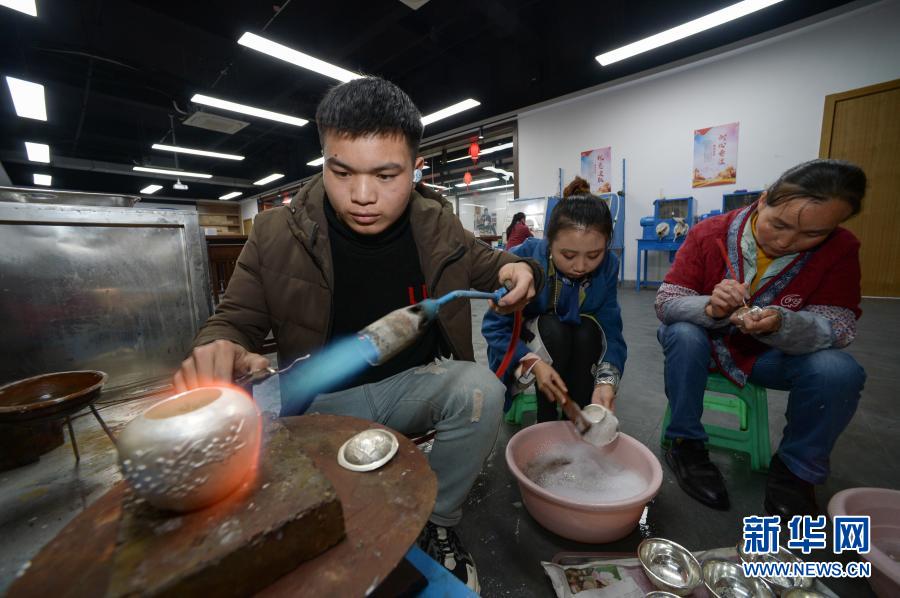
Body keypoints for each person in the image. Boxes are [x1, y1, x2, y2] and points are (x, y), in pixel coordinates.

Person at [173, 77, 543, 591]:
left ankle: (436, 521)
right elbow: (233, 319)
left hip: (412, 387)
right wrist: (221, 347)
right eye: (341, 172)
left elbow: (497, 264)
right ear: (323, 160)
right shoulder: (277, 234)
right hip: (319, 405)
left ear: (415, 168)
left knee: (480, 391)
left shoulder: (438, 226)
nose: (362, 196)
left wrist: (520, 270)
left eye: (386, 175)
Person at [656, 159, 867, 519]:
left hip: (769, 358)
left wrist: (782, 324)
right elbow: (667, 302)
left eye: (812, 234)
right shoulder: (710, 233)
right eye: (779, 224)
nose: (786, 242)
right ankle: (686, 442)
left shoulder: (840, 249)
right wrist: (710, 308)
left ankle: (796, 471)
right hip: (703, 348)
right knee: (684, 334)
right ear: (764, 199)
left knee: (837, 371)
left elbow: (839, 325)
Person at [483, 176, 626, 423]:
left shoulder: (608, 266)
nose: (580, 266)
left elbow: (611, 329)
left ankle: (579, 417)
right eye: (568, 255)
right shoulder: (524, 258)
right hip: (526, 347)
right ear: (549, 242)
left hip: (577, 343)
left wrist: (606, 381)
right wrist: (531, 362)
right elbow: (494, 327)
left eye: (594, 255)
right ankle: (547, 420)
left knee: (588, 331)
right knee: (554, 329)